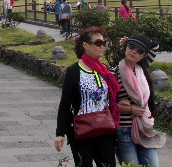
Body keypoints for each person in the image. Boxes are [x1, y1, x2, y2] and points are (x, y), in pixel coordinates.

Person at [55, 26, 120, 167]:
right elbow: (65, 103)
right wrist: (60, 133)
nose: (102, 47)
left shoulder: (105, 71)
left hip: (104, 128)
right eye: (98, 43)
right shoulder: (74, 71)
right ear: (85, 45)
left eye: (104, 43)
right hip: (82, 129)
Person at [113, 33, 165, 167]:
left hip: (145, 129)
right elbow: (106, 105)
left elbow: (155, 46)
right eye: (131, 46)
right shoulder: (113, 73)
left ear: (143, 56)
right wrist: (130, 109)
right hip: (124, 130)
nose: (134, 51)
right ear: (125, 48)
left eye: (139, 50)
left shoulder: (142, 69)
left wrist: (128, 40)